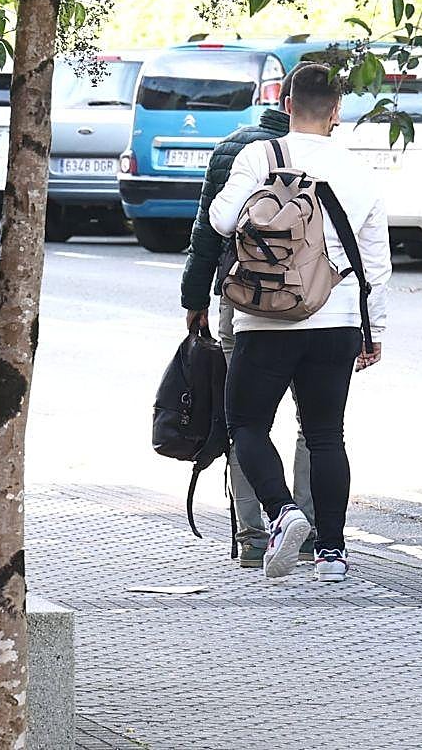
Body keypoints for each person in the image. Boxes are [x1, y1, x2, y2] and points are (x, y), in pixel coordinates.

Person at [209, 62, 390, 583]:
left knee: (246, 424)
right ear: (336, 111)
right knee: (325, 434)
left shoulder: (258, 155)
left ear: (286, 103)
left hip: (264, 316)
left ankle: (282, 512)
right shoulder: (358, 173)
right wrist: (372, 330)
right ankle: (332, 553)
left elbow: (222, 221)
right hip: (334, 319)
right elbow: (376, 264)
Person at [179, 66, 317, 569]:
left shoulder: (231, 148)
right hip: (311, 302)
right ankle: (306, 526)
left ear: (278, 100)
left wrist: (194, 299)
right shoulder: (318, 154)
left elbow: (206, 234)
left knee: (244, 418)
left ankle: (252, 536)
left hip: (239, 298)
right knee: (314, 423)